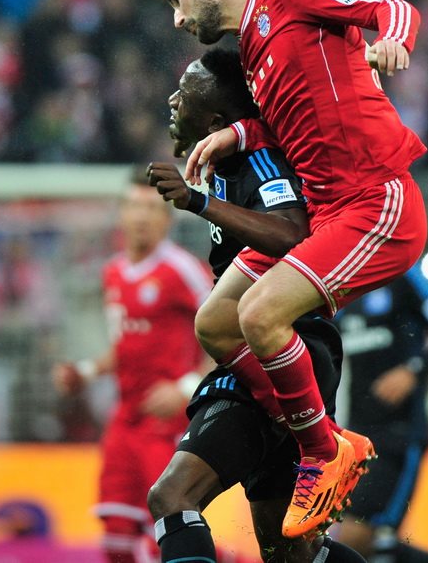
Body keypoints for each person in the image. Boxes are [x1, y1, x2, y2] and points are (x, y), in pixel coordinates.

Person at [162, 0, 427, 537]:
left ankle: (322, 451)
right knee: (216, 322)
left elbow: (393, 8)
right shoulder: (253, 51)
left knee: (260, 316)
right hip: (329, 214)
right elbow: (293, 123)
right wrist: (239, 134)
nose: (177, 18)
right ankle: (312, 428)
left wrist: (393, 41)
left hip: (375, 202)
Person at [146, 47, 371, 563]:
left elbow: (292, 232)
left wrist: (197, 201)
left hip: (283, 347)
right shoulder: (229, 158)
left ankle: (321, 435)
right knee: (288, 553)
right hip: (261, 354)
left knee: (172, 497)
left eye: (185, 94)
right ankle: (317, 432)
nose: (173, 100)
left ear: (216, 120)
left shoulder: (262, 162)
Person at [53, 168, 212, 563]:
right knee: (117, 538)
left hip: (166, 424)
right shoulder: (114, 272)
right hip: (124, 420)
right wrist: (86, 372)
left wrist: (184, 387)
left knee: (164, 534)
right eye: (133, 206)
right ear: (121, 213)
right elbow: (125, 346)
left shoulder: (183, 270)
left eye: (151, 208)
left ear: (167, 218)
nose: (141, 217)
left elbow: (229, 334)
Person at [335, 262, 428, 563]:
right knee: (365, 543)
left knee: (359, 536)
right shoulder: (338, 279)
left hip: (399, 433)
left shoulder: (403, 272)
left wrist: (413, 371)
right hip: (354, 435)